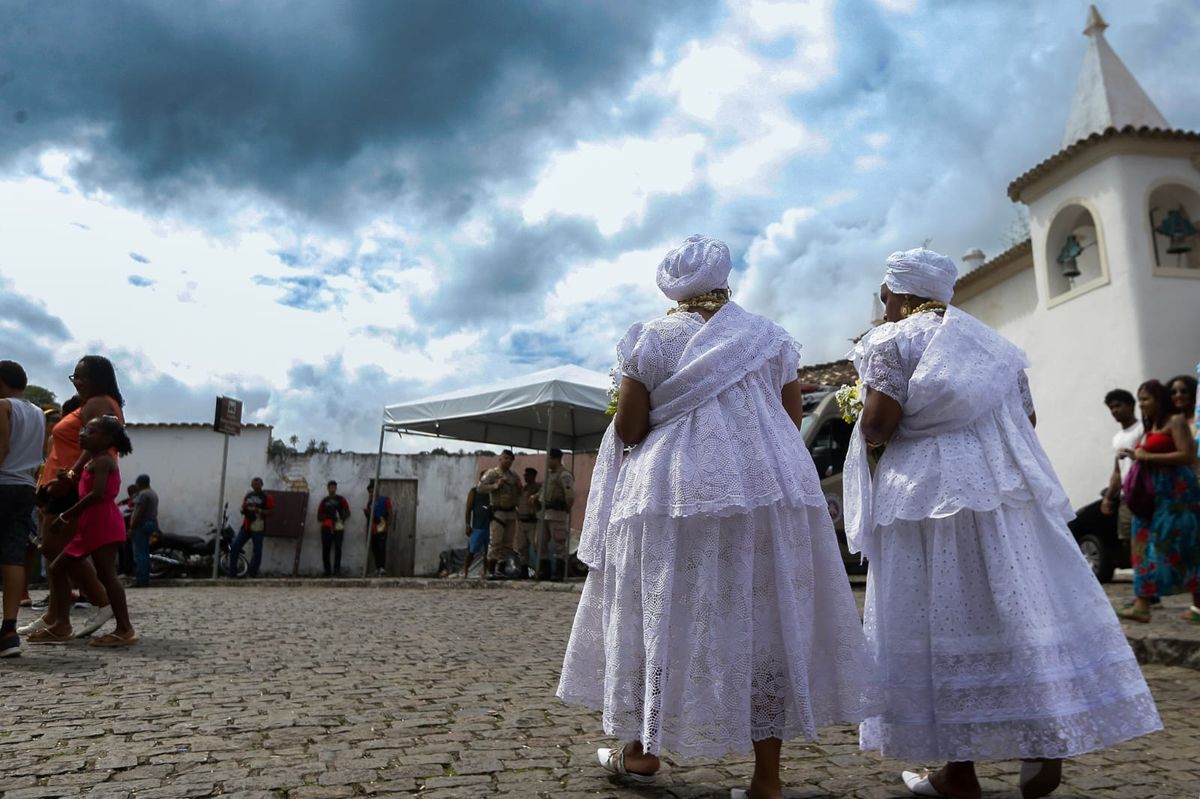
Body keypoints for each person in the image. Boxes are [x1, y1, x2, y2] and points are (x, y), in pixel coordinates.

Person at [558, 235, 877, 799]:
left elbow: (630, 429)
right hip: (767, 491)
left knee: (659, 608)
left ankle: (643, 750)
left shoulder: (652, 338)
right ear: (723, 278)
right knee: (765, 616)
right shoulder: (767, 338)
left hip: (669, 493)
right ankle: (767, 779)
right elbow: (787, 416)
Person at [844, 248, 1161, 799]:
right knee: (1013, 607)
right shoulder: (993, 347)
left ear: (898, 292)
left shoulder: (889, 342)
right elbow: (1027, 420)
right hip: (1002, 487)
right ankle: (1042, 741)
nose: (884, 303)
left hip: (926, 492)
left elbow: (879, 423)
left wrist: (865, 429)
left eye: (885, 293)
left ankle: (959, 769)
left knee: (940, 616)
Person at [24, 356, 125, 642]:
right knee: (55, 551)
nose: (76, 381)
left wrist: (71, 473)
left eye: (80, 376)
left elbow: (94, 441)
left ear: (97, 378)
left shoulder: (98, 404)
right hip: (63, 484)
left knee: (59, 549)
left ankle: (100, 602)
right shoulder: (93, 404)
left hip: (71, 486)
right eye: (74, 376)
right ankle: (57, 617)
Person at [45, 415, 137, 646]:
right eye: (84, 429)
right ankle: (61, 624)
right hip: (90, 525)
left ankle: (124, 628)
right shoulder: (93, 461)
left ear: (108, 438)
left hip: (103, 523)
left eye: (91, 431)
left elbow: (96, 495)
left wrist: (66, 516)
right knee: (58, 568)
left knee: (106, 574)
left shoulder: (105, 461)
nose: (83, 433)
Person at [1117, 380, 1200, 625]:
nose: (1141, 404)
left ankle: (1195, 605)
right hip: (1154, 497)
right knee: (1143, 542)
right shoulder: (1151, 426)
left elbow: (1187, 454)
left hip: (1177, 495)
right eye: (1140, 399)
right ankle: (1142, 603)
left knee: (1181, 545)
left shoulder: (1175, 422)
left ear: (1158, 399)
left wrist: (1147, 455)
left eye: (1146, 398)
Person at [0, 360, 46, 657]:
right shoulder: (39, 413)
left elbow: (1, 449)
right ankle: (8, 632)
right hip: (25, 487)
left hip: (2, 482)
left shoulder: (3, 406)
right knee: (13, 556)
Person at [1100, 389, 1143, 559]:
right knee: (1126, 540)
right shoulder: (1117, 438)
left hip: (1143, 493)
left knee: (1144, 537)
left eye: (1118, 405)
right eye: (1111, 408)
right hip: (1126, 497)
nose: (1114, 411)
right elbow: (1117, 471)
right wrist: (1108, 497)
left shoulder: (1142, 429)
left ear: (1131, 405)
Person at [479, 451, 523, 578]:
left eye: (510, 459)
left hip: (511, 511)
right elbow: (480, 488)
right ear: (500, 459)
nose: (508, 461)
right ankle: (491, 570)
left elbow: (519, 492)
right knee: (496, 542)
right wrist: (495, 486)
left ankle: (501, 568)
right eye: (505, 458)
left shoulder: (513, 475)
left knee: (508, 543)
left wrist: (519, 488)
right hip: (498, 511)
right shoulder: (492, 473)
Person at [539, 448, 574, 581]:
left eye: (549, 458)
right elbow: (543, 492)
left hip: (557, 513)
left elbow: (569, 496)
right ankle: (545, 570)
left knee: (559, 543)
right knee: (541, 542)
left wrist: (565, 508)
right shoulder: (549, 475)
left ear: (556, 459)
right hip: (545, 513)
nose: (547, 461)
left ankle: (559, 572)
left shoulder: (564, 475)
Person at [230, 477, 273, 578]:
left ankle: (252, 574)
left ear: (262, 485)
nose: (255, 486)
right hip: (246, 526)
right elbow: (243, 508)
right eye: (254, 484)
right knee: (235, 546)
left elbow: (271, 511)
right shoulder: (248, 495)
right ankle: (233, 573)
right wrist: (243, 509)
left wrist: (259, 511)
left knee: (257, 551)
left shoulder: (266, 497)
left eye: (257, 484)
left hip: (258, 526)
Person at [128, 474, 158, 588]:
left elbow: (139, 512)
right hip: (150, 523)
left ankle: (140, 580)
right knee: (145, 553)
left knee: (139, 554)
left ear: (140, 483)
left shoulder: (143, 494)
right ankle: (145, 579)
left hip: (142, 525)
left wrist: (132, 527)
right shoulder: (153, 493)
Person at [316, 480, 350, 577]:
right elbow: (318, 516)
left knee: (338, 548)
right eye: (330, 487)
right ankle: (327, 571)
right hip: (326, 527)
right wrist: (328, 517)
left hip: (338, 526)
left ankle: (337, 571)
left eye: (334, 487)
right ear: (328, 488)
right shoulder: (324, 501)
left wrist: (340, 517)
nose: (332, 489)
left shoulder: (341, 499)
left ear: (336, 488)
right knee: (326, 549)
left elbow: (348, 512)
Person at [462, 471, 491, 579]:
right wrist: (467, 525)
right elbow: (468, 509)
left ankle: (486, 572)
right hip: (478, 526)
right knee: (472, 551)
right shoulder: (474, 491)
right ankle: (465, 572)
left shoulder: (491, 491)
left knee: (488, 552)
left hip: (490, 525)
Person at [364, 480, 391, 576]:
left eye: (373, 491)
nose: (372, 493)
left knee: (381, 547)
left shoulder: (385, 499)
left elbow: (389, 512)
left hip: (382, 526)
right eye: (370, 492)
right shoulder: (370, 503)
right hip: (373, 528)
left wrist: (387, 525)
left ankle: (382, 568)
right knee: (374, 548)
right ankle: (377, 567)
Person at [518, 467, 540, 564]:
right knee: (522, 547)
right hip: (522, 521)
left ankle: (541, 568)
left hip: (533, 522)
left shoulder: (538, 488)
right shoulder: (523, 489)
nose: (525, 476)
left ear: (533, 476)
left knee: (536, 546)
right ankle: (523, 569)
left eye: (527, 475)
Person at [117, 483, 138, 578]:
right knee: (124, 551)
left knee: (129, 551)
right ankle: (124, 570)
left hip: (132, 529)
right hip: (124, 529)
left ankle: (127, 570)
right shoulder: (125, 502)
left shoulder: (138, 501)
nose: (132, 495)